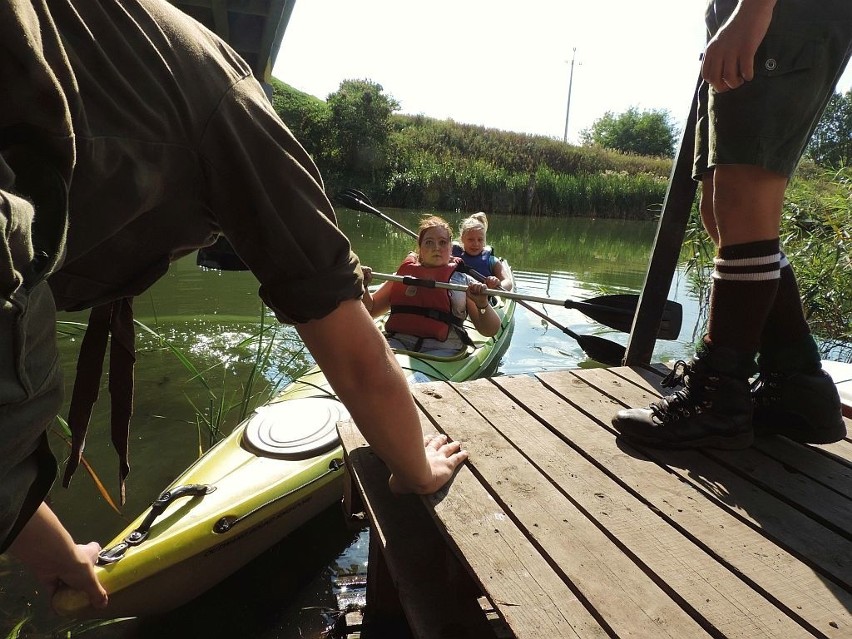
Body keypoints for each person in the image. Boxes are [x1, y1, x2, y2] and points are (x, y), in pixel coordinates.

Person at [1, 0, 467, 610]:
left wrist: (52, 552)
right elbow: (355, 358)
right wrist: (416, 467)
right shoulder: (232, 100)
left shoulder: (112, 41)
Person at [613, 0, 851, 448]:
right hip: (742, 16)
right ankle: (798, 387)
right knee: (721, 211)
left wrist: (753, 9)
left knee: (744, 200)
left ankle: (718, 399)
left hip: (780, 14)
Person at [361, 216, 500, 355]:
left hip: (443, 349)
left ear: (450, 248)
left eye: (442, 242)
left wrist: (483, 305)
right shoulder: (403, 276)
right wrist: (364, 287)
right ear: (420, 249)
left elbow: (489, 330)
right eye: (429, 242)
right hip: (398, 343)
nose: (436, 248)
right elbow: (371, 309)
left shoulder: (464, 282)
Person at [451, 212, 514, 291]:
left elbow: (508, 283)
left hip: (482, 299)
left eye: (480, 240)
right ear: (462, 238)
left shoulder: (492, 261)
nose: (476, 244)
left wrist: (497, 284)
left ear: (484, 240)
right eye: (470, 239)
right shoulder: (451, 254)